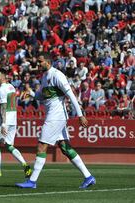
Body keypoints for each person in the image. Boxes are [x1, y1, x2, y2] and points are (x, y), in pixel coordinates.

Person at [16, 54, 95, 189]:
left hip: (56, 116)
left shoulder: (57, 75)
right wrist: (31, 93)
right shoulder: (45, 77)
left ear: (47, 62)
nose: (38, 64)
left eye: (40, 62)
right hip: (54, 115)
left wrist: (80, 114)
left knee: (42, 146)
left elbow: (71, 95)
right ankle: (88, 177)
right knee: (65, 148)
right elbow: (42, 96)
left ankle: (32, 181)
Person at [0, 68, 31, 179]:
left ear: (4, 77)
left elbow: (3, 107)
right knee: (9, 145)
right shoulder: (11, 87)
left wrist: (3, 123)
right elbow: (23, 96)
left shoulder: (1, 90)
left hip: (4, 120)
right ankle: (25, 164)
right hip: (13, 119)